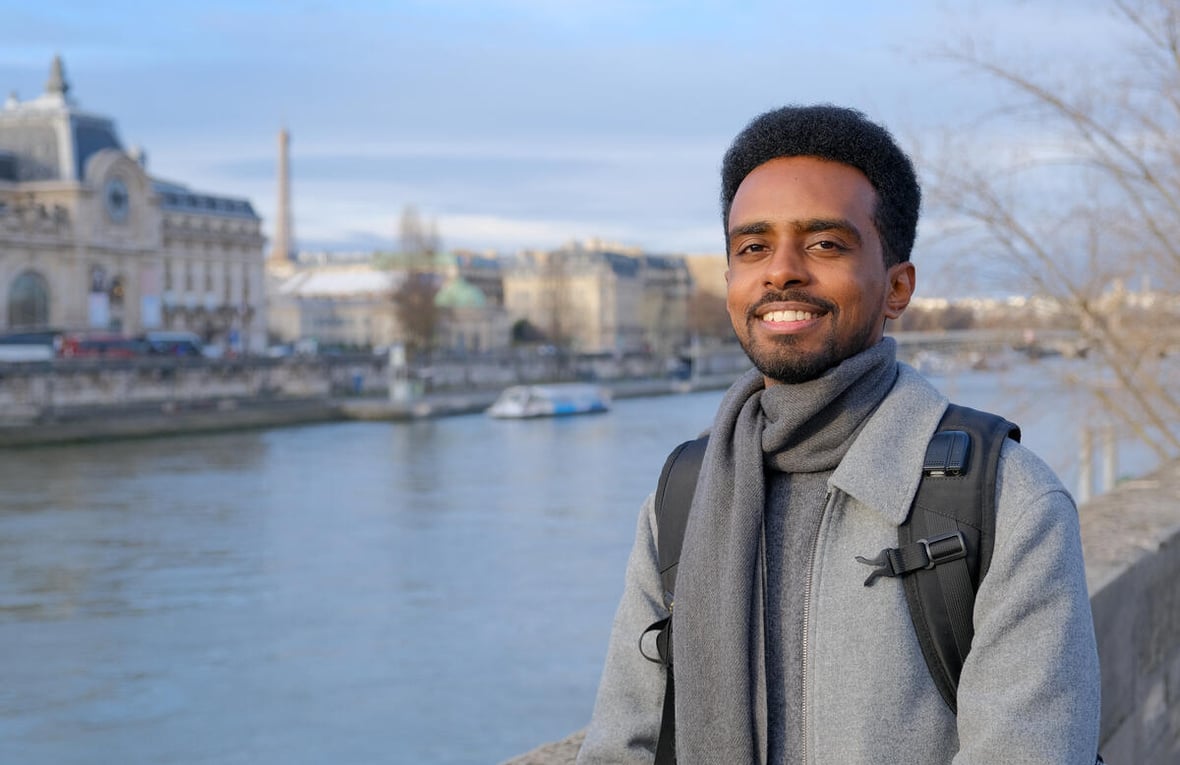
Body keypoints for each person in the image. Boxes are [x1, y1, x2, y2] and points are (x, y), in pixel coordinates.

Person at [577, 105, 1102, 764]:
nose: (781, 271)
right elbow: (623, 744)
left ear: (897, 287)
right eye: (752, 247)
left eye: (825, 243)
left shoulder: (1009, 501)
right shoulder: (681, 495)